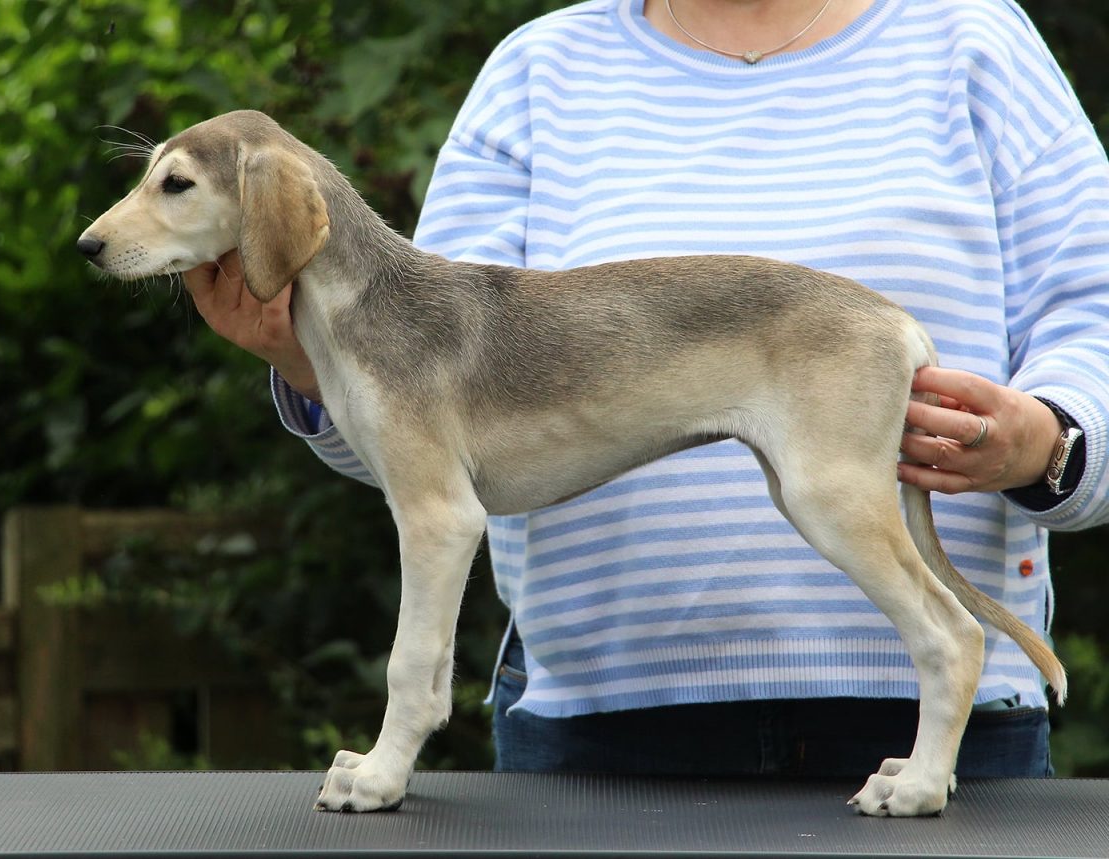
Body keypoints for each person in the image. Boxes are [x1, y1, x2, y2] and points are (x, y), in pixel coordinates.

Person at [186, 0, 1109, 779]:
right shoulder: (538, 70)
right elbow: (429, 443)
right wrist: (308, 360)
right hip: (595, 731)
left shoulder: (977, 41)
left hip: (948, 729)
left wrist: (1049, 443)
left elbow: (1093, 316)